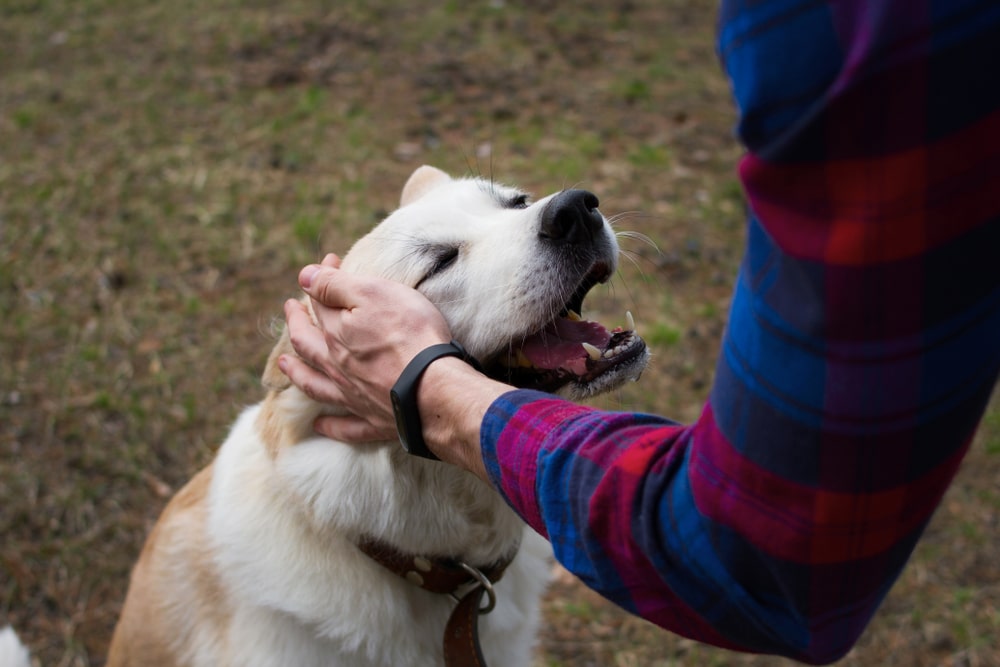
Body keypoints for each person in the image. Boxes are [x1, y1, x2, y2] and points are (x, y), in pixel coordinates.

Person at [278, 1, 1000, 663]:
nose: (551, 213)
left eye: (515, 202)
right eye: (440, 259)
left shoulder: (834, 31)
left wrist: (432, 390)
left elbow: (751, 549)